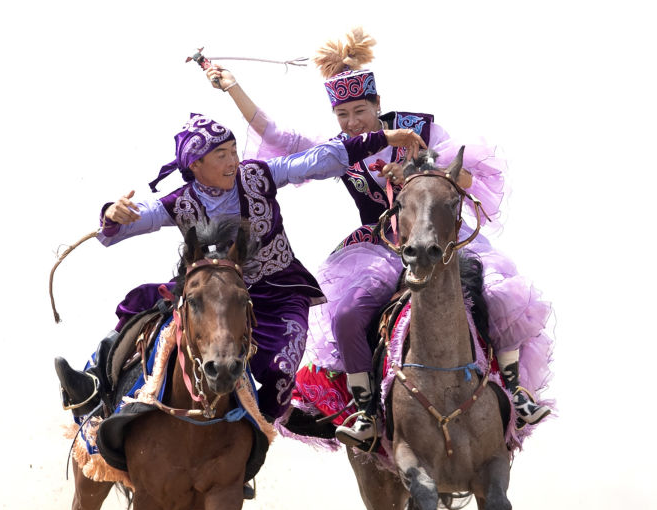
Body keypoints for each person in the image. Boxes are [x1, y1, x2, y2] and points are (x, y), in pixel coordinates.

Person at [205, 28, 553, 447]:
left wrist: (416, 172)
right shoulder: (340, 150)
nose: (352, 123)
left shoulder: (419, 129)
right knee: (348, 313)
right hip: (380, 246)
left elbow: (463, 177)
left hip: (439, 236)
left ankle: (515, 391)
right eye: (343, 115)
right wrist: (233, 88)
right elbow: (277, 135)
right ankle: (366, 412)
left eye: (360, 111)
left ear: (378, 104)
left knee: (501, 294)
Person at [55, 112, 423, 429]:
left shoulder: (259, 175)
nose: (233, 160)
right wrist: (112, 214)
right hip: (213, 299)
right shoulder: (179, 203)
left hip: (279, 295)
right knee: (139, 307)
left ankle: (252, 437)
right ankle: (92, 383)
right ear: (195, 166)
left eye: (233, 150)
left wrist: (384, 138)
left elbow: (317, 160)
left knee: (281, 372)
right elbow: (123, 224)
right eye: (222, 155)